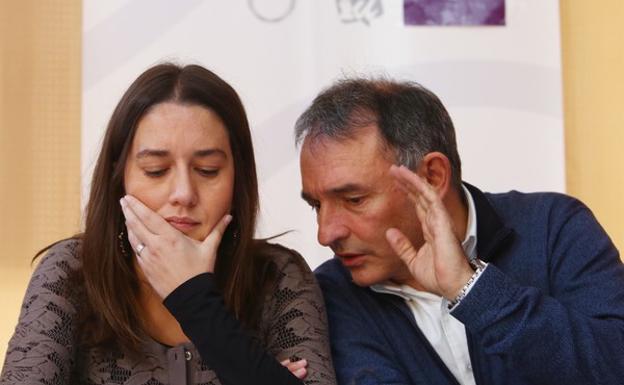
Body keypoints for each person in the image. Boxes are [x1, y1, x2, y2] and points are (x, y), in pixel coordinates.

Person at [1, 63, 336, 385]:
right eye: (156, 170)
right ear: (121, 177)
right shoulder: (70, 273)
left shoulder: (278, 278)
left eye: (207, 170)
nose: (183, 194)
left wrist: (195, 299)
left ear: (238, 178)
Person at [295, 77, 624, 385]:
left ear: (433, 177)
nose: (326, 234)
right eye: (316, 205)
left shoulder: (553, 227)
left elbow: (614, 366)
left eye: (354, 199)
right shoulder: (330, 294)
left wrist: (470, 288)